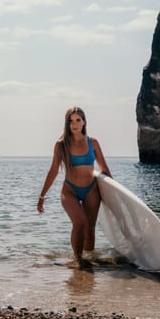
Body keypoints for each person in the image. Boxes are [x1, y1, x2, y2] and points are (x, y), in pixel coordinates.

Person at [37, 106, 112, 266]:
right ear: (67, 123)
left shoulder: (93, 143)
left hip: (91, 189)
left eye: (78, 120)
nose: (74, 124)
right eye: (71, 121)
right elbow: (53, 171)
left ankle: (89, 259)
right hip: (70, 190)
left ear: (84, 122)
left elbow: (104, 169)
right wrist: (42, 196)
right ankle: (78, 261)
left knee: (90, 228)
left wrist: (115, 196)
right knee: (80, 222)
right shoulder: (61, 145)